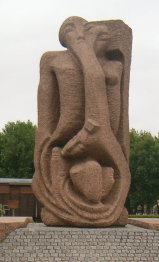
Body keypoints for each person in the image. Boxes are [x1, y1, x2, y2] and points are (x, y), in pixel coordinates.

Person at [32, 16, 132, 227]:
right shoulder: (53, 60)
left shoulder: (113, 66)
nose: (81, 35)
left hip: (103, 136)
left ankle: (96, 209)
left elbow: (119, 113)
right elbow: (46, 105)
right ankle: (66, 207)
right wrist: (45, 144)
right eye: (72, 31)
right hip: (68, 135)